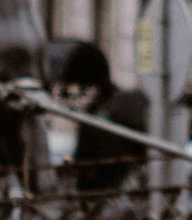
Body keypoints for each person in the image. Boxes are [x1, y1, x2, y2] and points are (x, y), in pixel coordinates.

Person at [44, 38, 151, 194]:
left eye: (68, 92)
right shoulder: (113, 108)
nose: (69, 101)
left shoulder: (97, 121)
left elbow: (87, 158)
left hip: (102, 190)